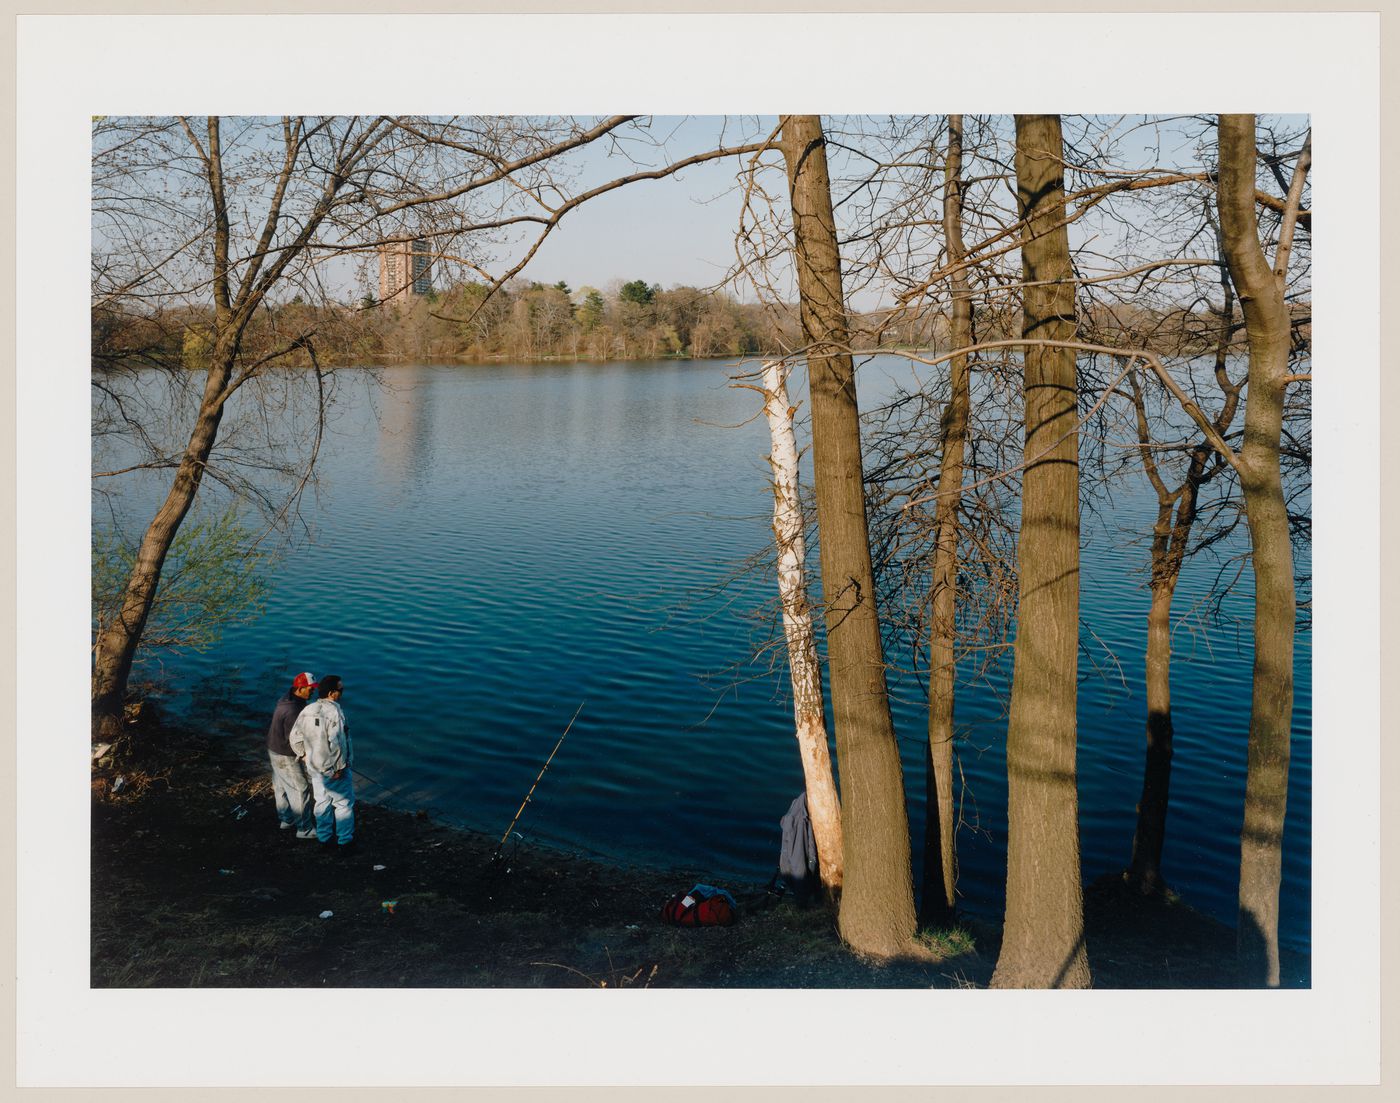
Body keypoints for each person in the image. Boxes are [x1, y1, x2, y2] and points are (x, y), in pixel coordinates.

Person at [290, 674, 355, 850]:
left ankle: (324, 838)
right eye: (341, 690)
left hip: (314, 767)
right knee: (343, 804)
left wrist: (303, 755)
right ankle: (345, 841)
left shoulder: (308, 709)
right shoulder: (335, 712)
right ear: (333, 693)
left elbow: (294, 737)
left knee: (322, 801)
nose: (342, 693)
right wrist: (340, 767)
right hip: (334, 769)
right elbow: (338, 743)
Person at [265, 671, 318, 839]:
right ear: (300, 688)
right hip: (284, 754)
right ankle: (304, 829)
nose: (313, 692)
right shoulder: (294, 710)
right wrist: (307, 755)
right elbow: (295, 740)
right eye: (310, 689)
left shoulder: (287, 697)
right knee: (300, 789)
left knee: (281, 786)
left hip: (273, 747)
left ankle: (286, 819)